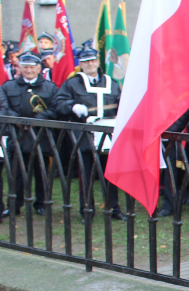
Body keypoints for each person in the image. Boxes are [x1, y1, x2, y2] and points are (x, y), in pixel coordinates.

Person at [53, 46, 123, 220]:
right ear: (81, 64)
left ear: (98, 61)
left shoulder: (112, 83)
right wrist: (72, 107)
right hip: (84, 136)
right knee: (86, 173)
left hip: (108, 136)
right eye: (85, 61)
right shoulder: (72, 83)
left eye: (92, 60)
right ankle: (87, 210)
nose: (90, 64)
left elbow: (121, 103)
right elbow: (59, 104)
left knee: (111, 174)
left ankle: (114, 208)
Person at [0, 52, 60, 217]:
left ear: (39, 68)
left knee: (41, 171)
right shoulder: (8, 86)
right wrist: (17, 120)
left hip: (41, 136)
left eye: (32, 67)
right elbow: (3, 106)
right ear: (20, 68)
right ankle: (15, 205)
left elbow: (55, 108)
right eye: (25, 67)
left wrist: (37, 121)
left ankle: (41, 203)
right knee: (16, 173)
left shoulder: (50, 87)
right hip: (17, 135)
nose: (28, 70)